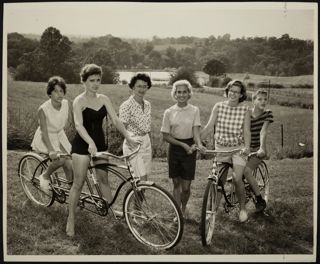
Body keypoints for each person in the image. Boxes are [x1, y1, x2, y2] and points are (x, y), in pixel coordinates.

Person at [66, 64, 139, 237]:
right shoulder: (79, 101)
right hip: (82, 146)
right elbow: (78, 125)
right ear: (84, 81)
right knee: (79, 182)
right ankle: (70, 219)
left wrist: (128, 137)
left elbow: (115, 119)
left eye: (98, 80)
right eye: (92, 80)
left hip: (100, 145)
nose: (96, 84)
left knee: (104, 178)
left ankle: (111, 212)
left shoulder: (104, 99)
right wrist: (90, 142)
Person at [201, 79, 251, 222]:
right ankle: (213, 211)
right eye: (231, 91)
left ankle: (242, 209)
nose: (233, 94)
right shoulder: (219, 106)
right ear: (227, 91)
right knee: (218, 180)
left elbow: (246, 131)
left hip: (238, 149)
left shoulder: (245, 109)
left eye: (237, 92)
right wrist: (197, 142)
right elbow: (209, 126)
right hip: (221, 148)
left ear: (241, 95)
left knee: (236, 178)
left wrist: (247, 147)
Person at [160, 80, 206, 219]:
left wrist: (198, 144)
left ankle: (183, 207)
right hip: (174, 148)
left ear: (189, 93)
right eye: (178, 92)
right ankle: (178, 213)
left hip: (190, 149)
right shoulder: (169, 112)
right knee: (176, 183)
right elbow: (165, 136)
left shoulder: (194, 110)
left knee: (186, 187)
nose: (181, 94)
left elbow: (196, 131)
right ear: (174, 94)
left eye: (184, 92)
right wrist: (182, 145)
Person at [31, 76, 73, 194]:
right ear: (50, 93)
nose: (59, 94)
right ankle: (44, 176)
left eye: (61, 91)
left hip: (60, 135)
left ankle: (73, 192)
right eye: (55, 91)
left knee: (69, 163)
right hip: (46, 137)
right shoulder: (43, 109)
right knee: (60, 160)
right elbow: (44, 131)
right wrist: (51, 150)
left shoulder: (65, 104)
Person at [243, 89, 274, 212]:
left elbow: (263, 131)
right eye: (259, 99)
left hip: (257, 149)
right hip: (245, 147)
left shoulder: (268, 113)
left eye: (265, 99)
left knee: (246, 170)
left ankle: (259, 199)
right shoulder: (246, 113)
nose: (263, 101)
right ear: (253, 101)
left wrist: (262, 147)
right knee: (237, 170)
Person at [119, 73, 152, 181]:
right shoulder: (126, 105)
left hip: (146, 142)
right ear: (133, 87)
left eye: (144, 86)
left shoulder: (147, 104)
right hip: (133, 143)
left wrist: (149, 141)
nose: (142, 89)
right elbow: (122, 127)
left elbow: (147, 126)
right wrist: (130, 140)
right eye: (139, 86)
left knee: (145, 180)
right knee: (141, 179)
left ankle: (138, 199)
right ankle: (133, 198)